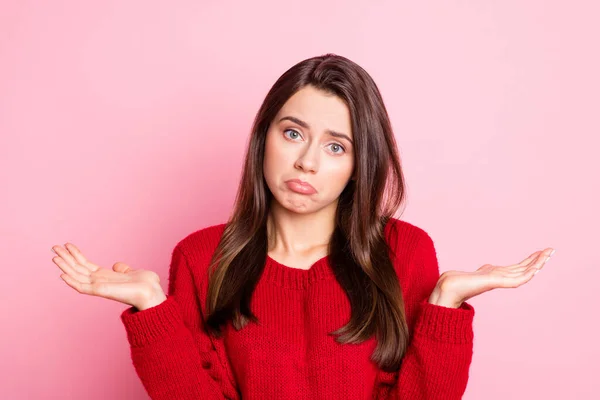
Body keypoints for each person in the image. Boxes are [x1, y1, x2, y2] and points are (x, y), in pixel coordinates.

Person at [51, 53, 555, 400]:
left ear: (360, 164)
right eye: (293, 133)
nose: (307, 162)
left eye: (336, 145)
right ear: (263, 137)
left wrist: (444, 303)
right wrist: (152, 310)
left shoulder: (405, 251)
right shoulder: (201, 257)